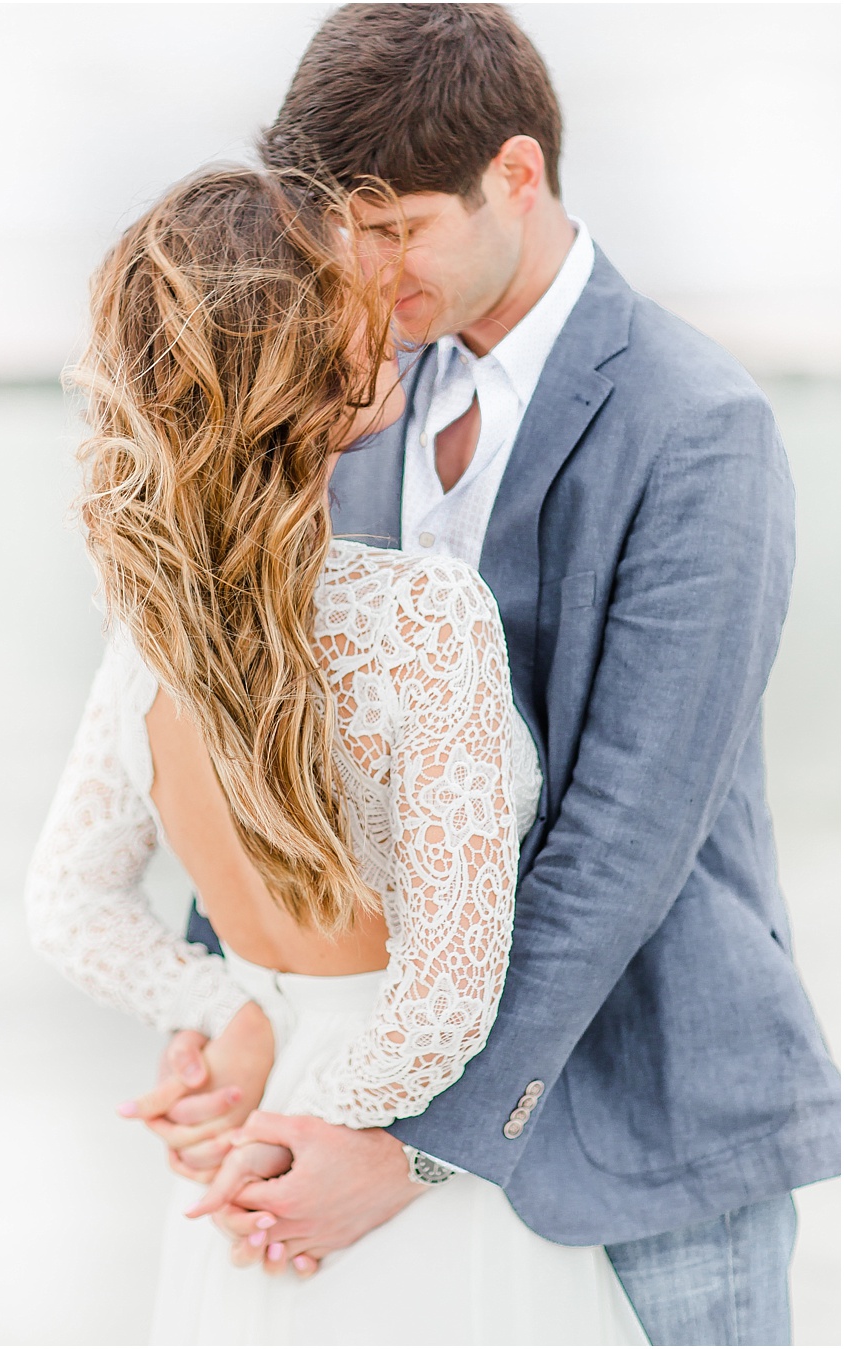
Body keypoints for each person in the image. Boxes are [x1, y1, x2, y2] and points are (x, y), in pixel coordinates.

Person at [132, 6, 839, 1344]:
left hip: (650, 1119)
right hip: (388, 1082)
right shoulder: (350, 404)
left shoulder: (700, 427)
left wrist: (416, 1148)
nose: (367, 267)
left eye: (399, 227)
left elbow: (628, 834)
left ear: (517, 175)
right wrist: (232, 1001)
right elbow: (270, 727)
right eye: (345, 229)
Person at [29, 160, 647, 1342]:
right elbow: (446, 997)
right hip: (351, 1161)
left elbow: (68, 906)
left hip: (244, 1168)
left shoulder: (145, 642)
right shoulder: (425, 617)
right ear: (301, 353)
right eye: (344, 276)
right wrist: (332, 1130)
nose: (380, 284)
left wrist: (233, 1012)